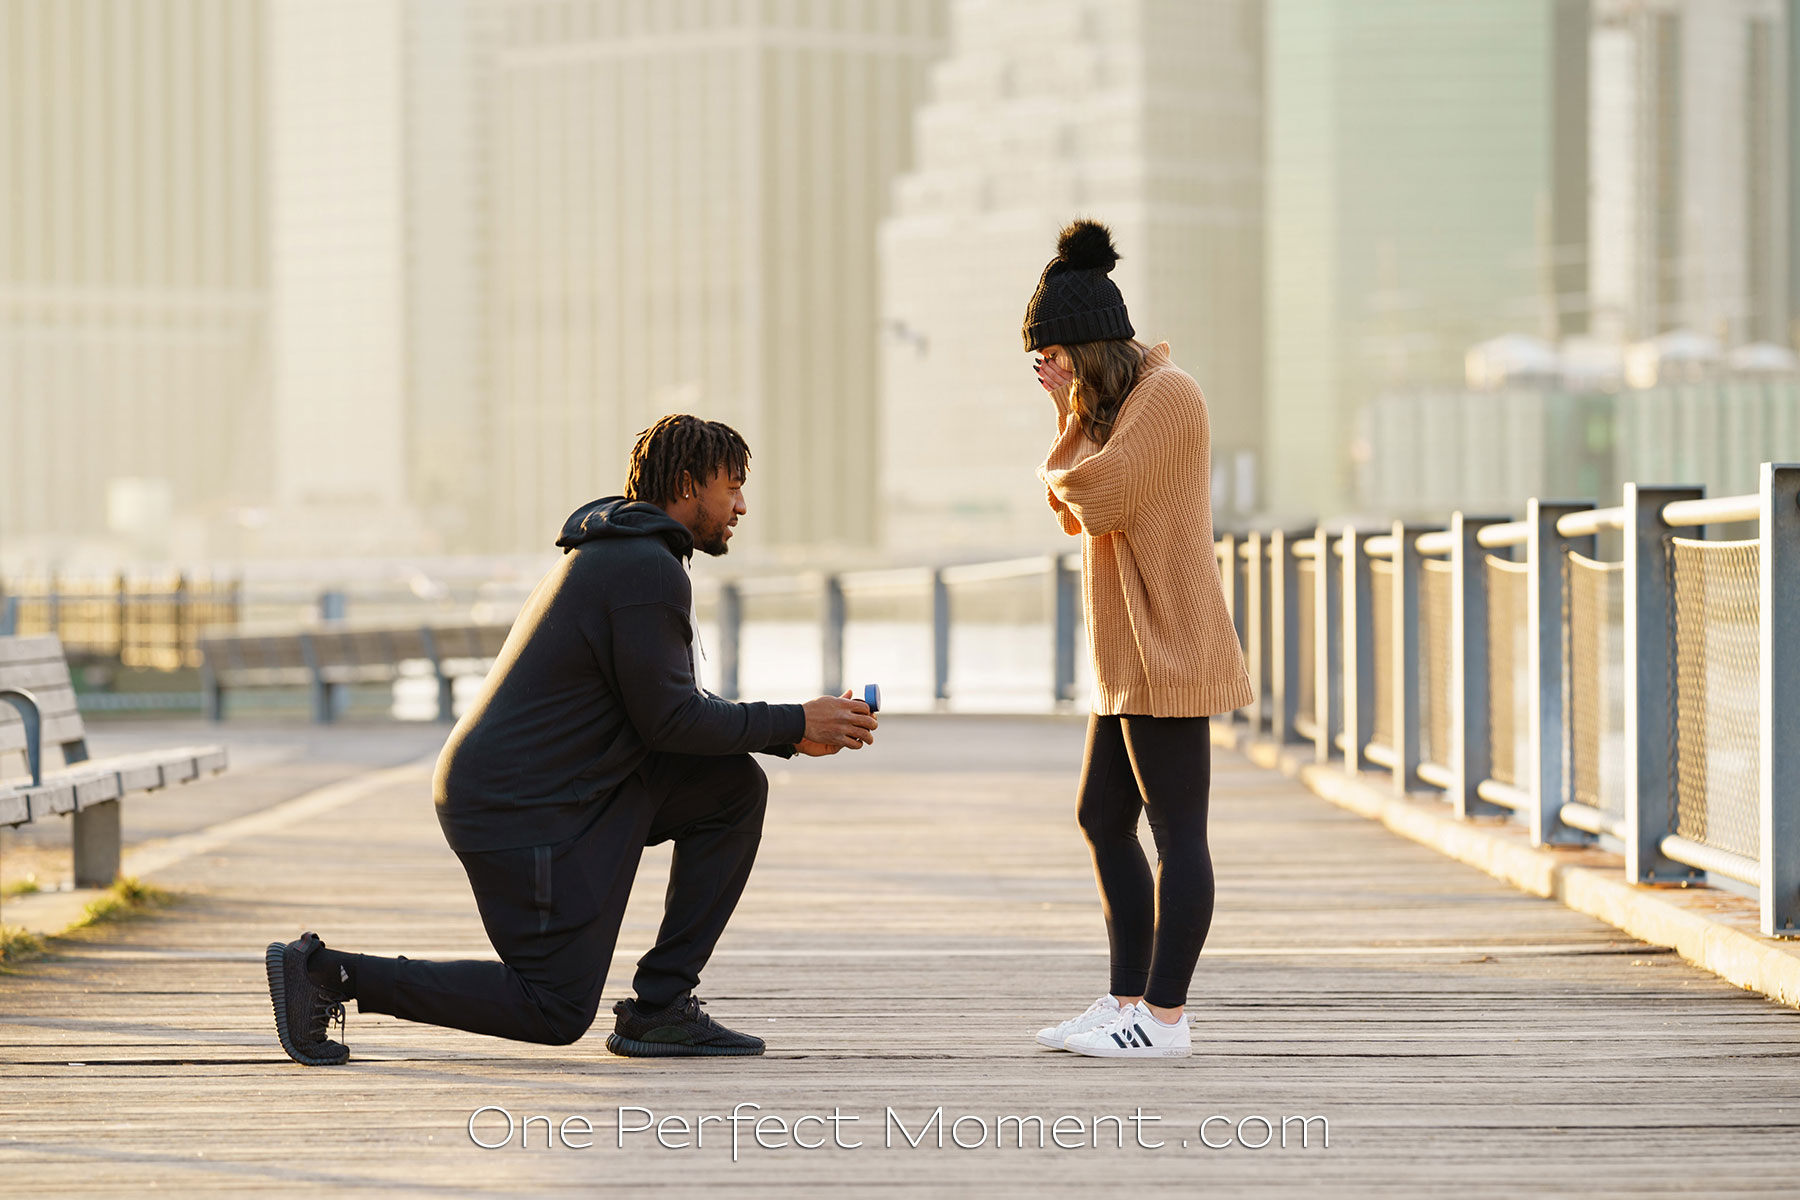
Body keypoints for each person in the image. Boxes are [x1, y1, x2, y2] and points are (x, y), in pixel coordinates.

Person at [265, 415, 878, 1065]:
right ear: (690, 485)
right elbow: (670, 722)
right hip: (520, 806)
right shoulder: (643, 567)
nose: (742, 506)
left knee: (729, 790)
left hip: (571, 787)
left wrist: (792, 733)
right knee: (552, 1007)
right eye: (733, 487)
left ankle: (662, 1006)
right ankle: (328, 974)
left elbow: (665, 713)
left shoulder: (627, 554)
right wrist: (792, 722)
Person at [1021, 220, 1254, 1059]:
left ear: (1085, 346)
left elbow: (1101, 495)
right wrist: (1069, 408)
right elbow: (1074, 505)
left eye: (1050, 357)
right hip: (1129, 655)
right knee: (1101, 816)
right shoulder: (1117, 408)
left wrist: (1066, 418)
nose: (1043, 372)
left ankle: (1165, 1019)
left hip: (1172, 648)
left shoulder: (1169, 395)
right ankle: (1128, 998)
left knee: (1176, 834)